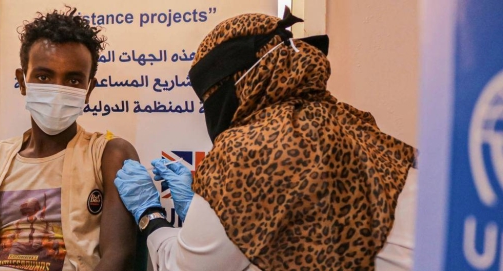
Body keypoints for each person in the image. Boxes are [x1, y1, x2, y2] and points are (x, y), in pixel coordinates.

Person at [113, 8, 418, 271]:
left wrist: (150, 215)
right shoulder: (356, 124)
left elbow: (184, 268)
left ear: (236, 86)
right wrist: (202, 212)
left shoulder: (247, 150)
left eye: (210, 98)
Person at [0, 6, 143, 271]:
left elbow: (118, 257)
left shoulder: (109, 155)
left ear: (88, 89)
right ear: (22, 81)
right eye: (44, 76)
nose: (57, 90)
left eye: (73, 80)